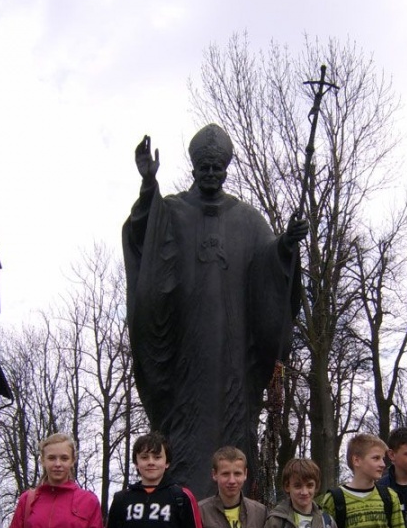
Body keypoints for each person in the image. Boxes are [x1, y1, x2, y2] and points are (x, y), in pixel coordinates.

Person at [122, 126, 309, 499]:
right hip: (185, 351)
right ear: (193, 169)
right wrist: (148, 187)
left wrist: (287, 244)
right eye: (204, 168)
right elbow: (142, 236)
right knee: (183, 428)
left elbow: (269, 266)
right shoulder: (172, 210)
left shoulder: (248, 219)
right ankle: (184, 501)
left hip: (233, 352)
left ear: (225, 170)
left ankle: (234, 505)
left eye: (216, 169)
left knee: (234, 427)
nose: (210, 174)